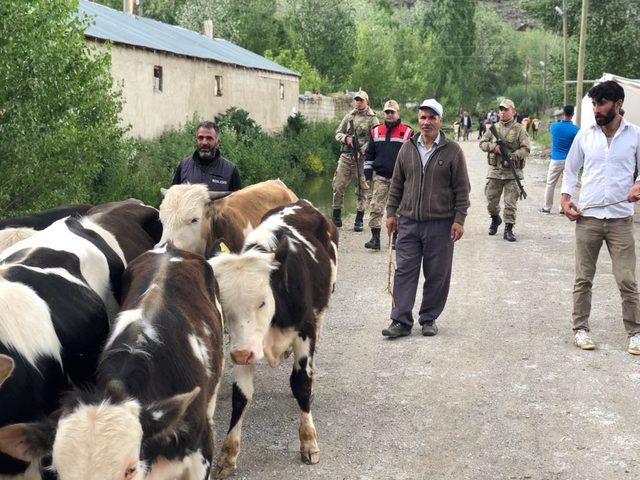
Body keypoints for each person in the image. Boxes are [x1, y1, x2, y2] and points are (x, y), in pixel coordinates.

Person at [560, 80, 640, 354]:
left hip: (620, 218)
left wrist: (638, 184)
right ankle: (580, 329)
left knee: (627, 279)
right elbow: (571, 169)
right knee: (583, 277)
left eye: (602, 103)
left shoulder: (635, 135)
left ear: (618, 105)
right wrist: (565, 198)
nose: (596, 109)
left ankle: (635, 332)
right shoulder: (585, 135)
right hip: (589, 218)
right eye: (594, 103)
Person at [382, 99, 470, 338]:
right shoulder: (408, 147)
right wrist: (391, 213)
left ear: (440, 120)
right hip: (409, 222)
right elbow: (396, 184)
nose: (426, 122)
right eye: (423, 117)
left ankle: (429, 318)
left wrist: (459, 219)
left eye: (432, 118)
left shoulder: (452, 151)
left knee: (437, 273)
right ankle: (400, 320)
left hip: (440, 224)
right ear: (418, 119)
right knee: (405, 271)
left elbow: (462, 190)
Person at [363, 100, 414, 250]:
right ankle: (375, 238)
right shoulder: (376, 131)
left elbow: (413, 157)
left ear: (398, 113)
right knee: (375, 207)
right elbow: (369, 154)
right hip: (380, 177)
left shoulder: (408, 132)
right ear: (383, 114)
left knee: (399, 209)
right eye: (387, 112)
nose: (389, 115)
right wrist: (367, 175)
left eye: (392, 112)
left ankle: (396, 239)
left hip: (400, 179)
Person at [479, 98, 530, 242]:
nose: (502, 112)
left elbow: (526, 148)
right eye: (501, 109)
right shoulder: (493, 128)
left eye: (506, 109)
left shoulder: (520, 129)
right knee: (491, 200)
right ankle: (495, 219)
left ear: (513, 111)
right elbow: (482, 143)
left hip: (512, 172)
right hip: (495, 171)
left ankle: (508, 228)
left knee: (510, 203)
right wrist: (494, 148)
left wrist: (513, 157)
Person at [332, 90, 380, 231]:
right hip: (346, 157)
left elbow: (375, 139)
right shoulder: (349, 116)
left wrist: (363, 149)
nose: (358, 102)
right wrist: (346, 139)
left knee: (362, 189)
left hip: (362, 160)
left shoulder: (373, 119)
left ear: (367, 101)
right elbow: (337, 133)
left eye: (361, 100)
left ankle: (359, 219)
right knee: (338, 185)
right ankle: (336, 216)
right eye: (356, 100)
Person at [171, 121, 241, 192]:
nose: (204, 142)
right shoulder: (184, 166)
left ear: (217, 142)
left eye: (209, 138)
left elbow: (238, 201)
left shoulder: (230, 169)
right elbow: (173, 196)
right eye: (200, 138)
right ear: (196, 140)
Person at [541, 105, 579, 214]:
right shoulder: (576, 130)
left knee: (550, 184)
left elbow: (552, 132)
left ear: (563, 113)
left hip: (556, 159)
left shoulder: (554, 126)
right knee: (566, 184)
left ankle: (547, 208)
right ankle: (563, 208)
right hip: (569, 160)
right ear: (572, 114)